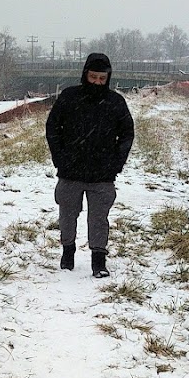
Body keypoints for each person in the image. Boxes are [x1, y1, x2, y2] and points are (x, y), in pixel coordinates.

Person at [45, 52, 134, 278]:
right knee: (67, 214)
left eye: (102, 79)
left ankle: (99, 260)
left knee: (98, 219)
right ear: (85, 75)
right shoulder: (69, 97)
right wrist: (60, 158)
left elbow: (127, 135)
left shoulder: (115, 103)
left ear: (108, 78)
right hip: (70, 172)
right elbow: (53, 128)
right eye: (93, 77)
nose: (97, 82)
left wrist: (116, 164)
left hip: (103, 176)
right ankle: (68, 252)